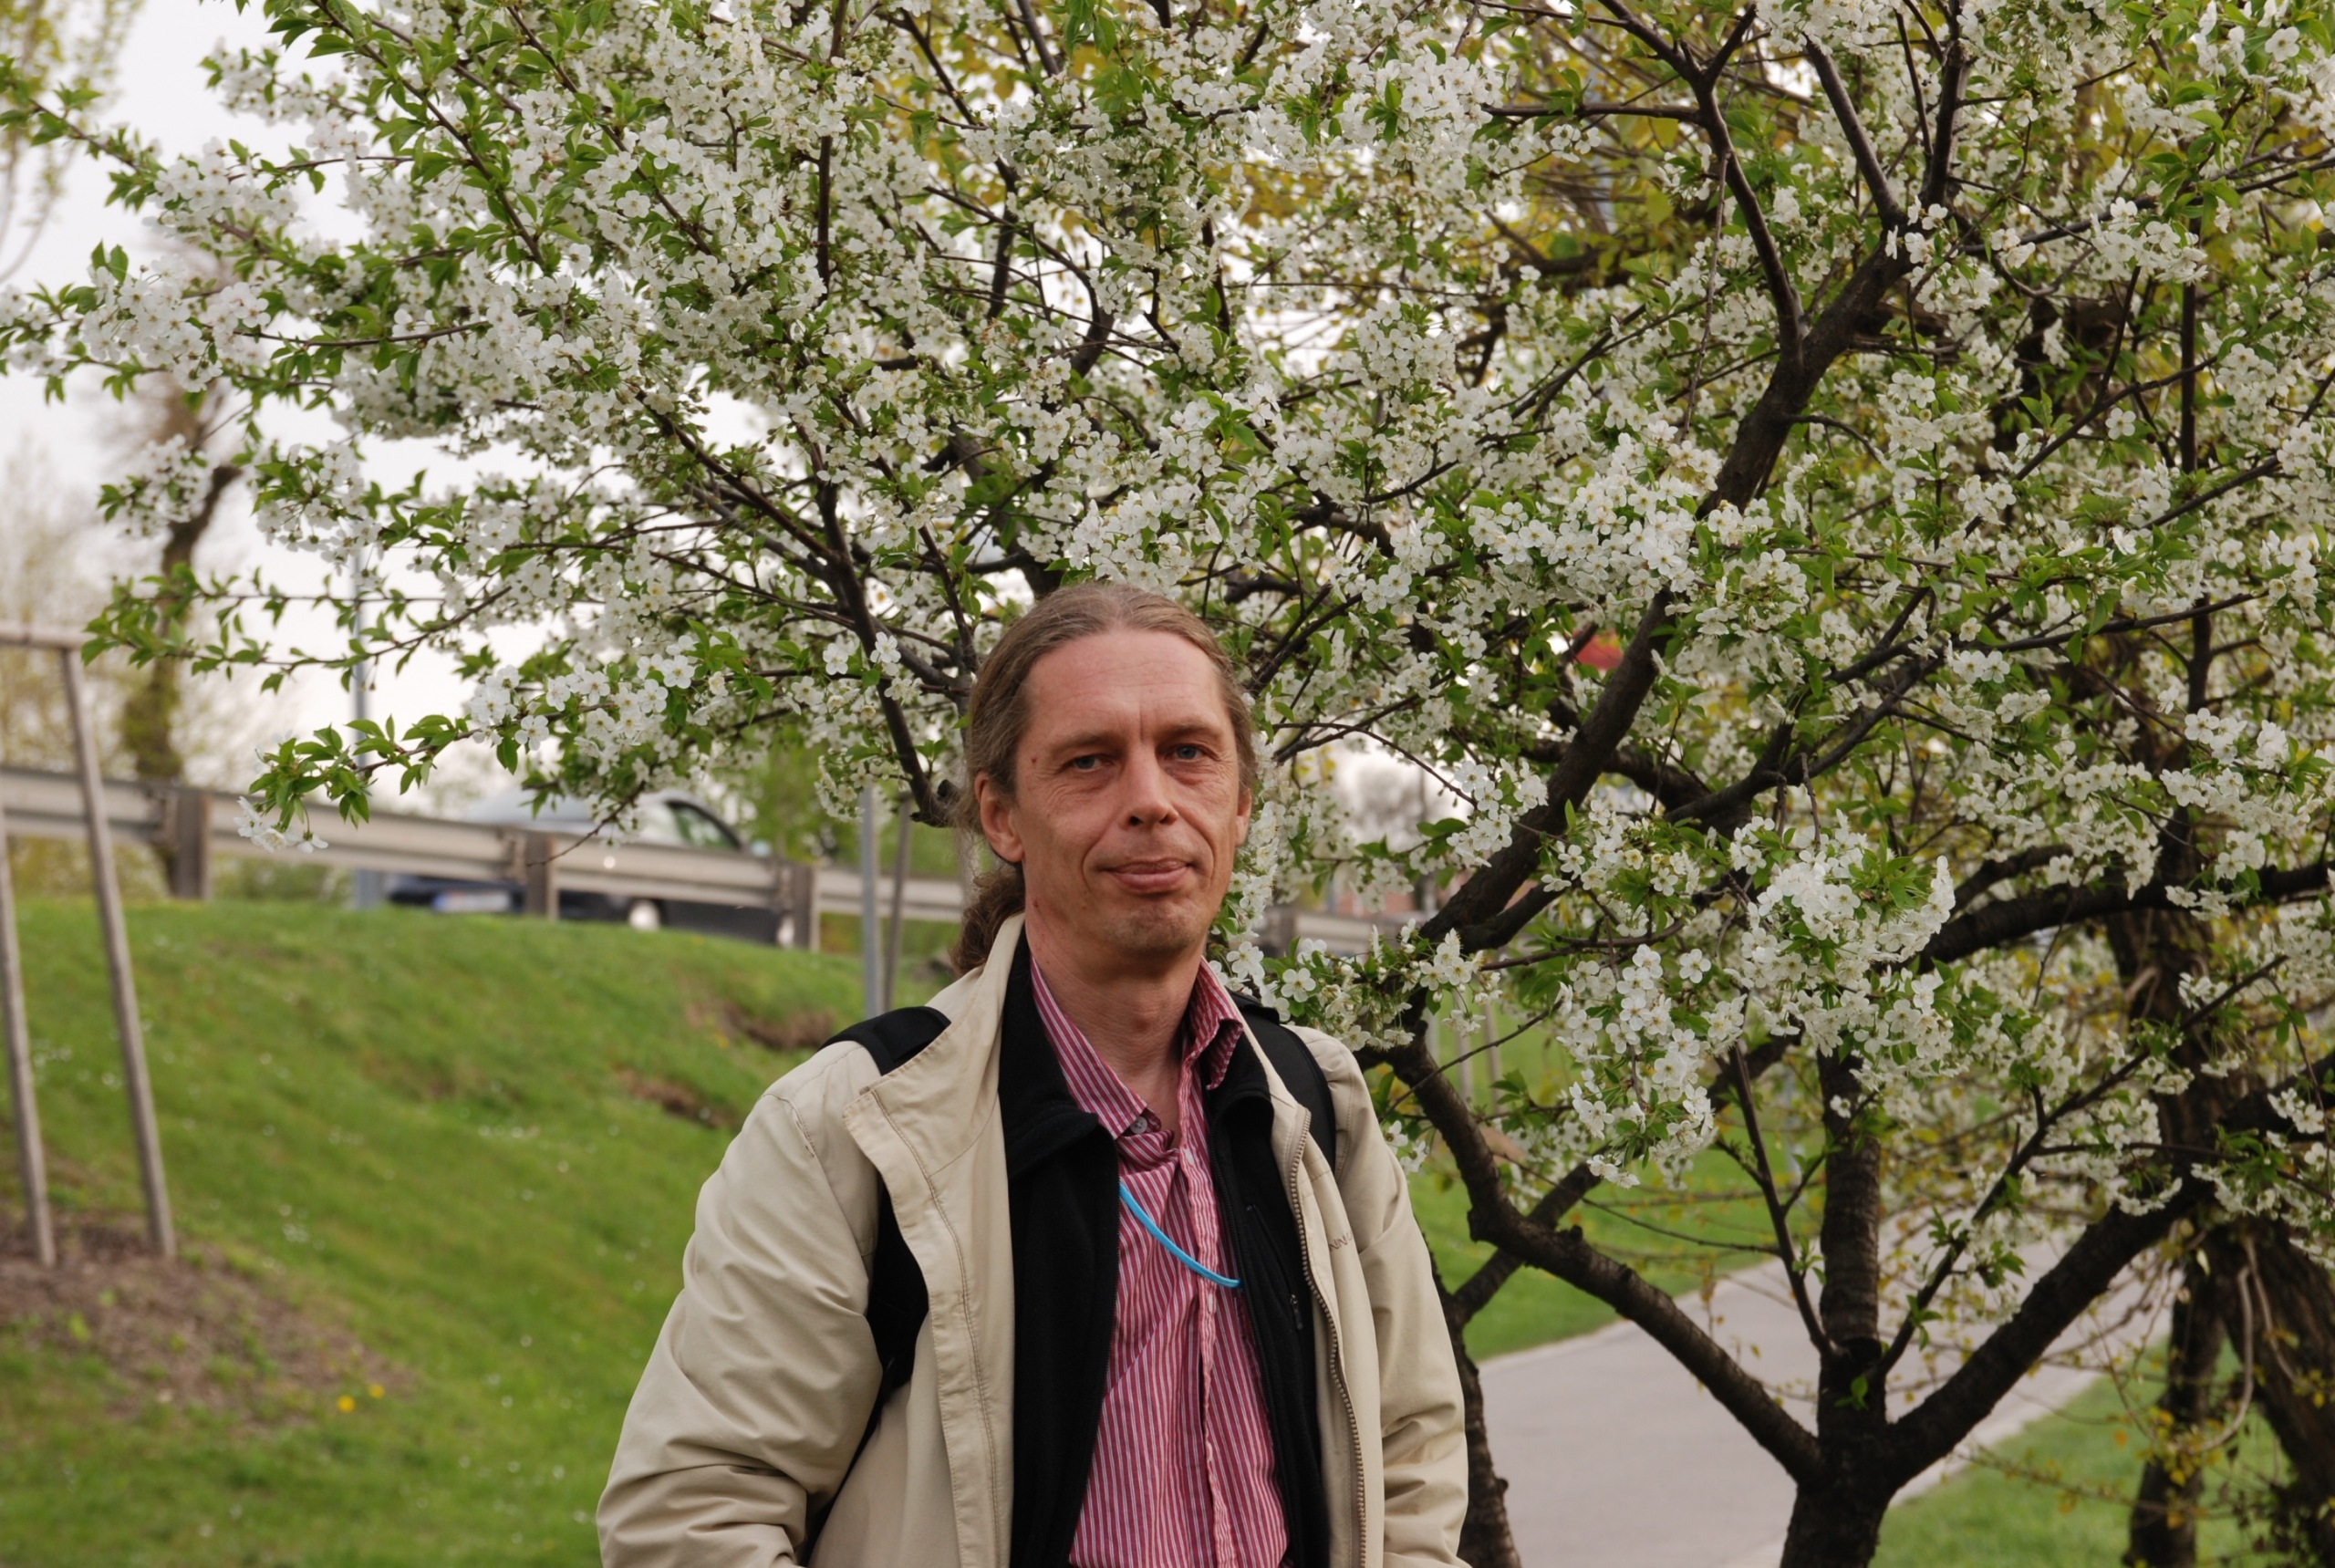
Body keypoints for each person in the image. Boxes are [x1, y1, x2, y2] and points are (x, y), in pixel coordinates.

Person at [599, 583, 1468, 1568]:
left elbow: (1411, 1454)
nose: (1151, 799)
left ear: (1239, 806)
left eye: (1188, 751)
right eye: (1089, 761)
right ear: (1002, 816)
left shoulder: (1314, 1106)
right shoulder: (849, 1131)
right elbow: (692, 1513)